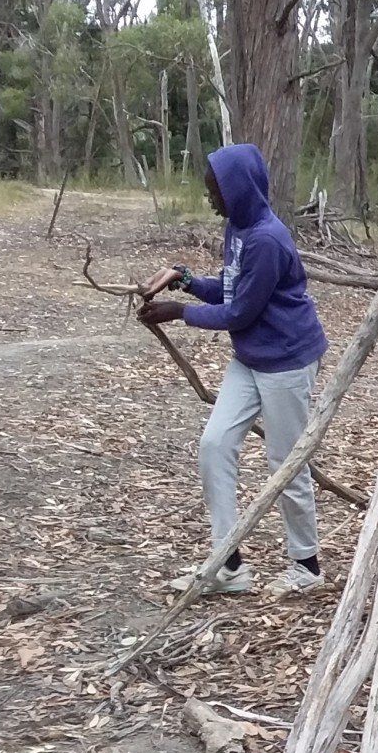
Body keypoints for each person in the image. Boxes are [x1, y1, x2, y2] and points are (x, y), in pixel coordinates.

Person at [137, 143, 330, 597]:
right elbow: (228, 289)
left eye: (215, 189)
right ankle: (228, 565)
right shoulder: (238, 228)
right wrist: (184, 279)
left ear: (238, 189)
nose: (210, 198)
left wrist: (177, 312)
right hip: (251, 358)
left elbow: (240, 311)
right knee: (214, 444)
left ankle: (307, 568)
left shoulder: (266, 238)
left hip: (287, 360)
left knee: (286, 464)